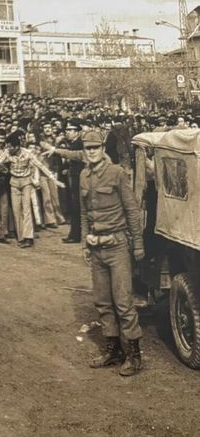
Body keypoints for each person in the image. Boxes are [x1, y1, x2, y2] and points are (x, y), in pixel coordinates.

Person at [79, 131, 145, 376]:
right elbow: (83, 213)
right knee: (103, 302)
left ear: (102, 148)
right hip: (96, 248)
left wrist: (137, 245)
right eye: (87, 148)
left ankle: (134, 355)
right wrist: (84, 244)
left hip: (117, 246)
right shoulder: (83, 175)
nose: (91, 152)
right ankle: (113, 350)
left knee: (123, 302)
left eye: (95, 147)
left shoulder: (116, 173)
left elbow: (132, 210)